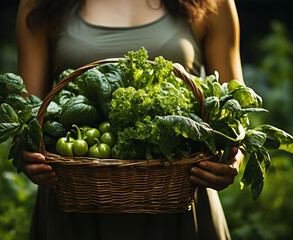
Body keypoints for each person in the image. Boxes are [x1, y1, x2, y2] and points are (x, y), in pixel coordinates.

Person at [16, 0, 244, 239]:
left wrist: (232, 157)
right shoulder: (38, 4)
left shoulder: (212, 3)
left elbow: (235, 110)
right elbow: (27, 113)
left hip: (180, 203)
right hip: (73, 205)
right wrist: (29, 153)